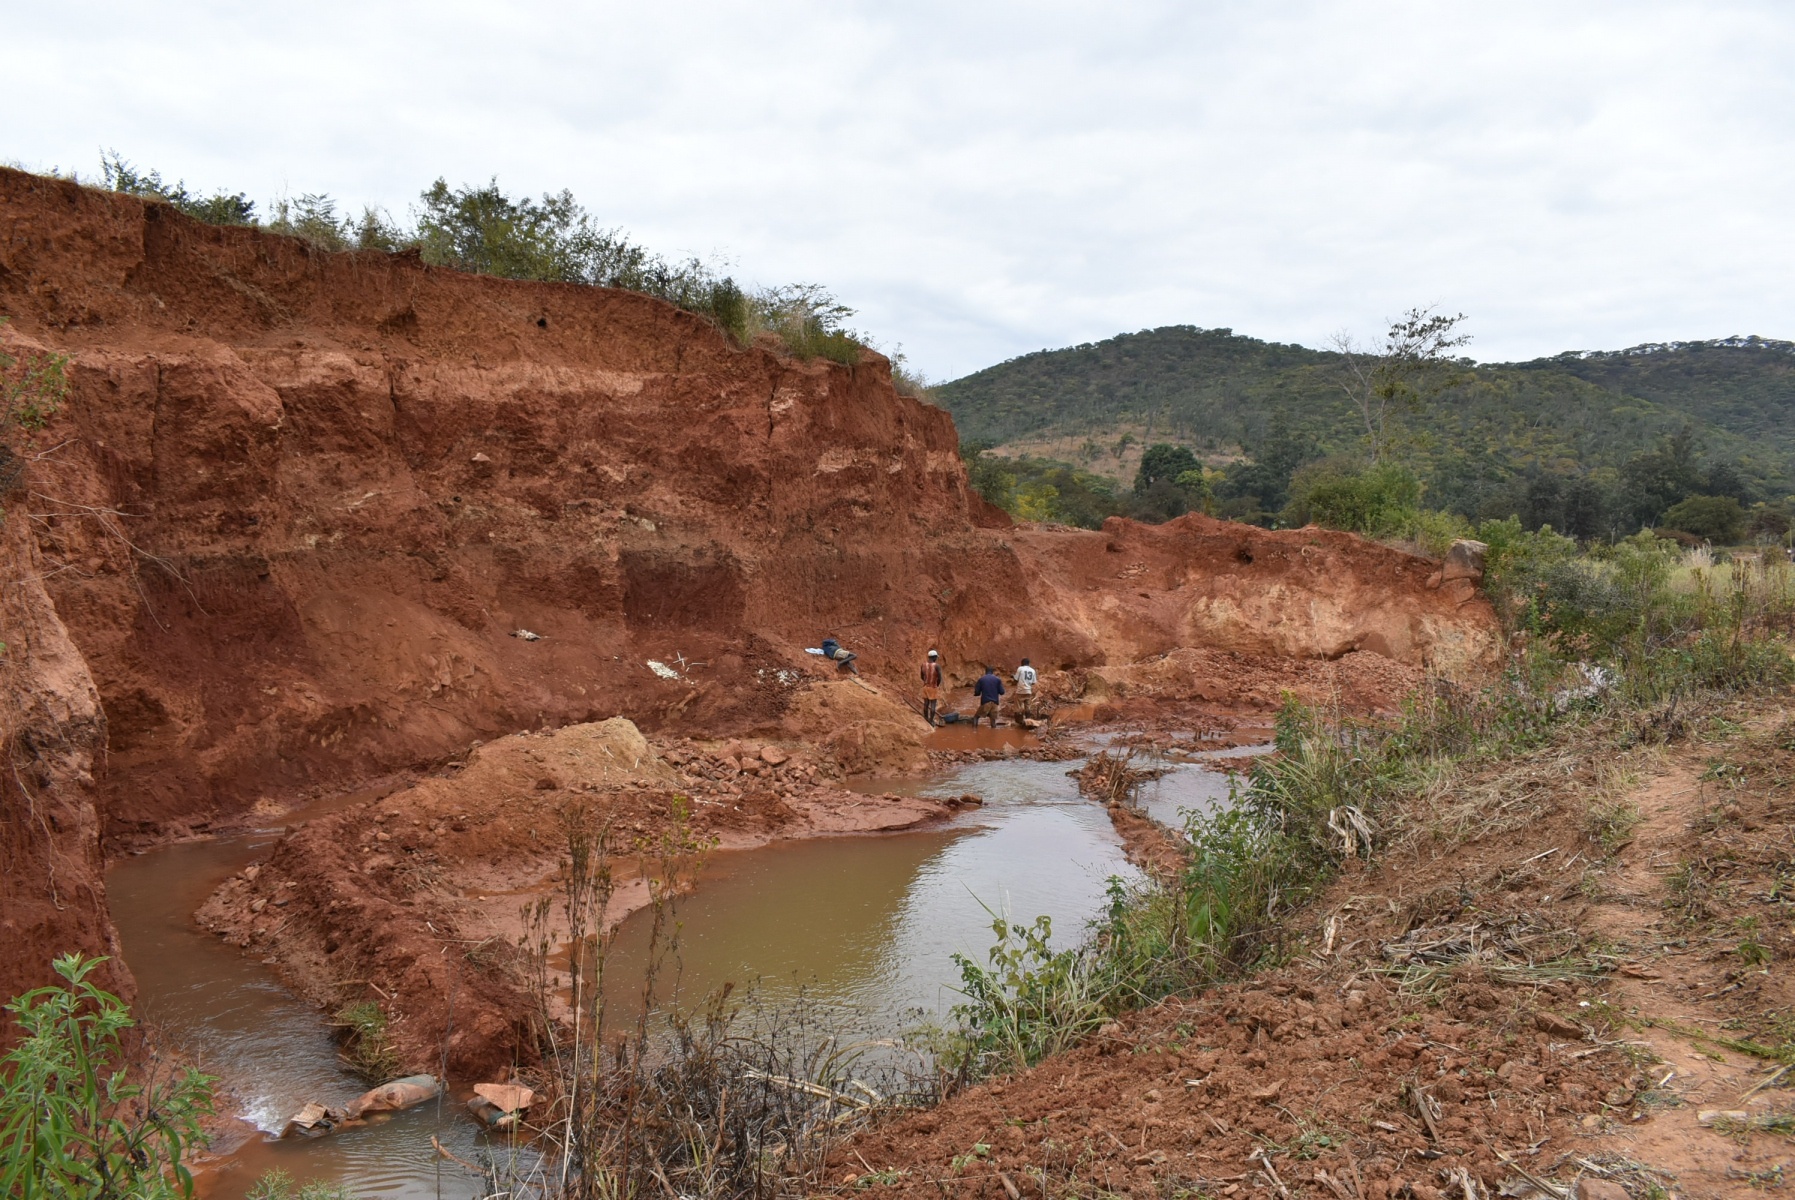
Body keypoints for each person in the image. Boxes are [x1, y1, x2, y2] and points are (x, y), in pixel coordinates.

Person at [919, 649, 943, 725]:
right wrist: (937, 685)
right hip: (933, 687)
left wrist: (926, 681)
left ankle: (926, 718)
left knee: (926, 703)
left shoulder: (923, 665)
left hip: (925, 686)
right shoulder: (936, 666)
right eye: (936, 657)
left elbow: (921, 676)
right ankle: (931, 720)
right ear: (934, 657)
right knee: (933, 704)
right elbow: (939, 678)